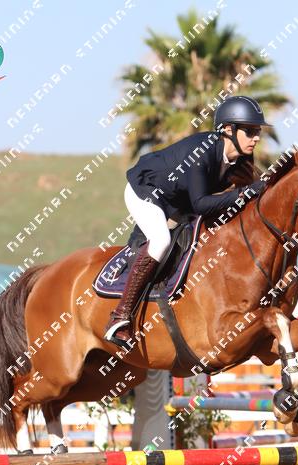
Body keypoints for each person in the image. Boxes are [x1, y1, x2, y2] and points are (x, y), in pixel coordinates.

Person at [104, 95, 270, 346]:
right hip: (148, 191)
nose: (256, 138)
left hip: (178, 200)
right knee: (160, 241)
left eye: (257, 131)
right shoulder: (202, 152)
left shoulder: (242, 158)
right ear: (228, 129)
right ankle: (120, 316)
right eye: (249, 131)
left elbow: (249, 196)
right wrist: (245, 193)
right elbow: (201, 204)